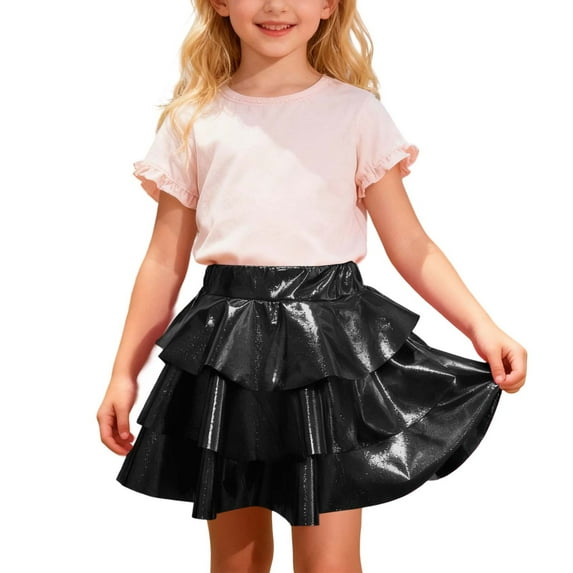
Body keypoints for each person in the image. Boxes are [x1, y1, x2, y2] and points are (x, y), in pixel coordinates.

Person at [96, 1, 527, 571]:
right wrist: (123, 373)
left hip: (328, 356)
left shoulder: (356, 114)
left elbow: (411, 245)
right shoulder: (194, 119)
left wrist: (482, 327)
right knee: (237, 561)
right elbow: (162, 263)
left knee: (330, 563)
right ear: (220, 3)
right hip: (227, 355)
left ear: (328, 6)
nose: (277, 6)